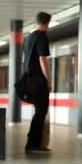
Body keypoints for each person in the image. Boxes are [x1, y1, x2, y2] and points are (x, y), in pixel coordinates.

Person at [23, 12, 52, 153]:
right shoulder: (41, 37)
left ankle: (33, 142)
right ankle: (33, 144)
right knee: (41, 112)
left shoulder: (28, 38)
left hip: (29, 79)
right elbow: (43, 60)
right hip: (38, 80)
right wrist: (48, 80)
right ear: (47, 23)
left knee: (38, 112)